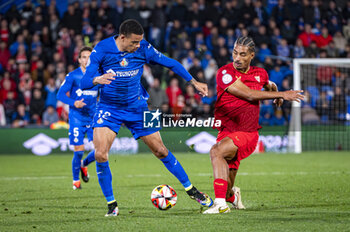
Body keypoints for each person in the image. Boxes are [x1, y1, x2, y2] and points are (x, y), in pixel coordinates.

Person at [80, 19, 213, 216]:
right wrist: (96, 79)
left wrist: (193, 82)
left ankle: (193, 191)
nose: (138, 46)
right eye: (134, 42)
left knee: (160, 150)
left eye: (139, 42)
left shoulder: (143, 48)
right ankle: (112, 205)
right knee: (101, 154)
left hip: (138, 107)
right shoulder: (101, 49)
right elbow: (84, 82)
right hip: (109, 108)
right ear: (122, 37)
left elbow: (170, 63)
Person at [203, 36, 304, 214]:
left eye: (242, 54)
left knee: (216, 151)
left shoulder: (260, 73)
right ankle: (231, 197)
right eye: (235, 53)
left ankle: (220, 205)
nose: (237, 58)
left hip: (247, 133)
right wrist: (281, 94)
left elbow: (268, 83)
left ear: (251, 55)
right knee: (226, 189)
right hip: (226, 132)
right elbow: (249, 94)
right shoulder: (225, 74)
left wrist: (276, 93)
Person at [57, 47, 98, 190]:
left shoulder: (98, 75)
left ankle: (84, 164)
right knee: (79, 150)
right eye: (84, 57)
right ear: (79, 59)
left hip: (93, 118)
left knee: (100, 151)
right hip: (77, 118)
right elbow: (60, 95)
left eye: (89, 57)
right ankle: (76, 181)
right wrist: (74, 102)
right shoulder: (73, 76)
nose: (87, 60)